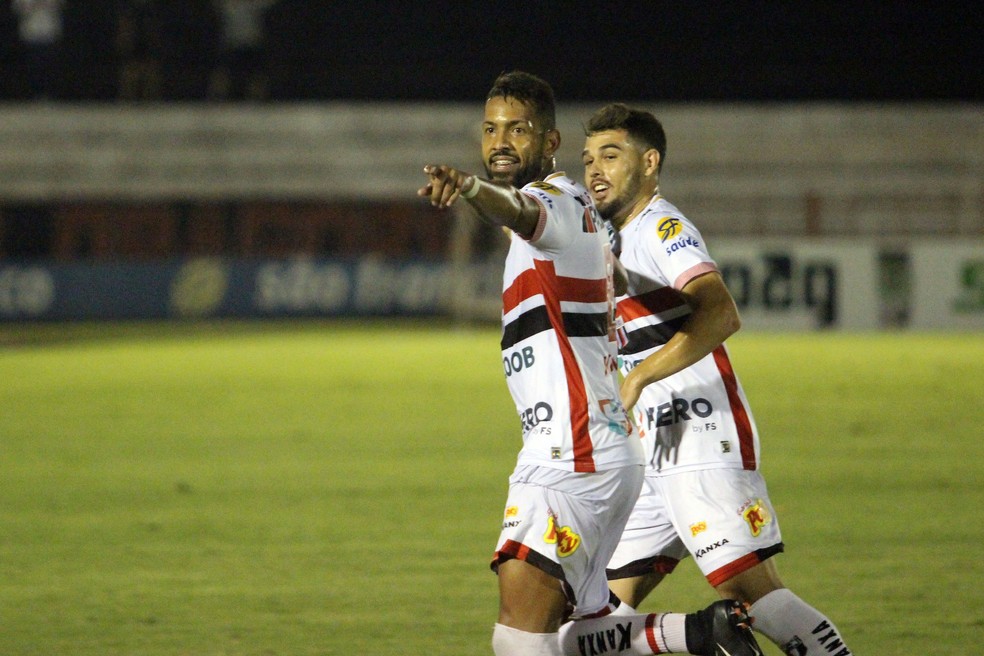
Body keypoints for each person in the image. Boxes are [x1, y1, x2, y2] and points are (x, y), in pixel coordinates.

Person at [419, 71, 763, 656]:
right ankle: (702, 632)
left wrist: (474, 190)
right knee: (569, 633)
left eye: (518, 129)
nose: (500, 141)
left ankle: (703, 633)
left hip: (571, 452)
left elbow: (521, 212)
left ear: (549, 144)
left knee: (518, 642)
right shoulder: (583, 221)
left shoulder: (555, 202)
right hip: (590, 448)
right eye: (490, 128)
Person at [581, 103, 854, 656]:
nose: (594, 170)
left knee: (755, 592)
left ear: (650, 162)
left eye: (611, 156)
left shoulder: (661, 226)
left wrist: (637, 381)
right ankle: (707, 636)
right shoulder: (614, 238)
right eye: (588, 159)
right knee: (591, 619)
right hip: (652, 448)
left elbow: (721, 312)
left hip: (700, 435)